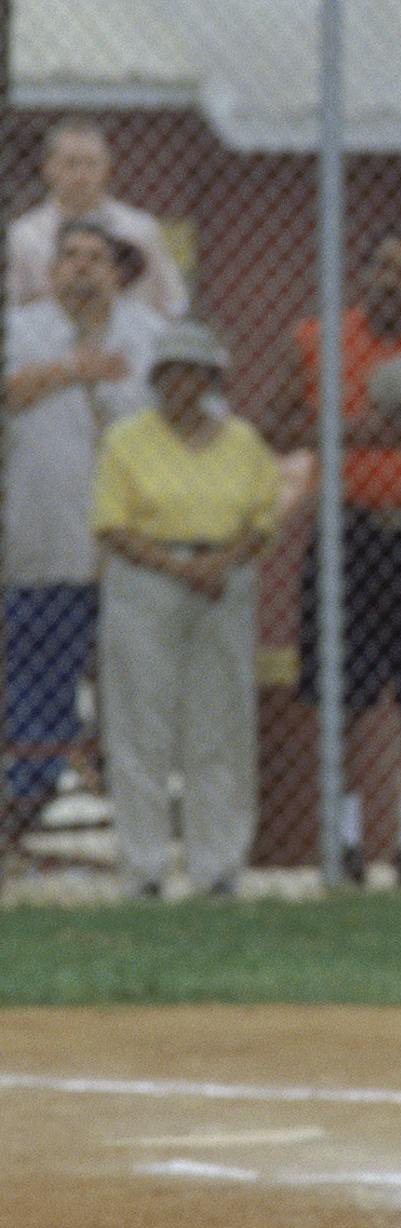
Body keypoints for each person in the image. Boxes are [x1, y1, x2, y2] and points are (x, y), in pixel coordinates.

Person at [274, 224, 401, 886]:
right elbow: (275, 425)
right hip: (349, 527)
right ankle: (346, 844)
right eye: (380, 267)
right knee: (344, 691)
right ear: (363, 275)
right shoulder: (316, 340)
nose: (390, 281)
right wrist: (350, 431)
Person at [89, 322, 278, 898]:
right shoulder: (127, 439)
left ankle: (217, 867)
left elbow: (261, 521)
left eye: (192, 371)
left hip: (223, 581)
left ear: (210, 379)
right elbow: (111, 523)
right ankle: (143, 869)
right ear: (156, 378)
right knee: (139, 727)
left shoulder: (243, 440)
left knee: (218, 726)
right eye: (169, 371)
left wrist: (216, 564)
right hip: (146, 580)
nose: (180, 382)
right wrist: (180, 569)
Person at [3, 220, 165, 848]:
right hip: (47, 538)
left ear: (117, 272)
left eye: (96, 257)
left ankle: (135, 799)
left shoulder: (150, 335)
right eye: (69, 255)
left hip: (135, 548)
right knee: (39, 668)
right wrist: (76, 368)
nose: (82, 267)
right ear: (51, 269)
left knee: (132, 677)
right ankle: (29, 796)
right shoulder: (19, 331)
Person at [8, 118, 189, 318]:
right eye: (71, 163)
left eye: (91, 163)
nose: (81, 174)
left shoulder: (138, 229)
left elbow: (175, 301)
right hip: (49, 344)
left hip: (126, 343)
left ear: (107, 168)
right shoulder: (23, 235)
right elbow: (13, 304)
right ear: (48, 167)